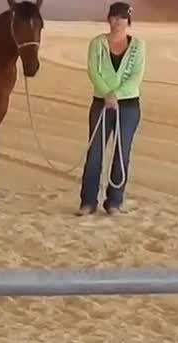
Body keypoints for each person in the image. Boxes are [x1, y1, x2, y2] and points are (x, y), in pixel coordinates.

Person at [77, 1, 145, 216]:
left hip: (128, 106)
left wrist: (117, 95)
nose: (118, 21)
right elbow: (93, 71)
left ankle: (114, 202)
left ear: (128, 20)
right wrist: (106, 94)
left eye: (122, 17)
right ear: (109, 18)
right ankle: (88, 201)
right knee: (95, 153)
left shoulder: (138, 46)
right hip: (101, 104)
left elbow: (136, 76)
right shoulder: (97, 44)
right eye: (114, 17)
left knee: (121, 153)